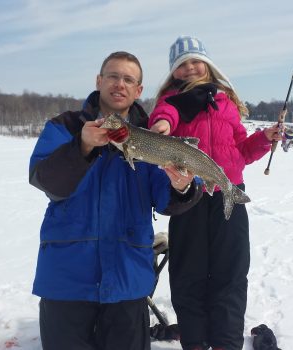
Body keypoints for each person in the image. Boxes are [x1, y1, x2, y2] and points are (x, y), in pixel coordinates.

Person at [29, 51, 202, 350]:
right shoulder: (64, 126)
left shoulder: (153, 136)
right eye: (112, 76)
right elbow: (46, 181)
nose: (119, 84)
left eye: (128, 79)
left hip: (127, 280)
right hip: (66, 278)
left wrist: (182, 187)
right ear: (99, 81)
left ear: (139, 90)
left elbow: (168, 201)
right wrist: (82, 146)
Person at [149, 36, 283, 350]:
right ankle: (195, 342)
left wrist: (265, 137)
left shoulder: (226, 103)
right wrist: (162, 128)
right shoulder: (171, 101)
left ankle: (225, 342)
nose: (190, 67)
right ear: (174, 72)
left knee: (231, 273)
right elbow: (163, 118)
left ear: (208, 64)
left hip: (229, 193)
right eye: (182, 64)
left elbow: (242, 151)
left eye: (195, 60)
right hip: (189, 196)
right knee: (188, 274)